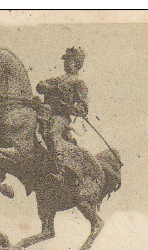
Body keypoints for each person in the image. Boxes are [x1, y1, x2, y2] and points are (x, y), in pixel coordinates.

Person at [36, 47, 90, 185]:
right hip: (44, 111)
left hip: (60, 116)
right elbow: (40, 86)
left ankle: (58, 170)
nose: (66, 64)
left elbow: (83, 108)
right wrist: (44, 86)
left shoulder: (79, 84)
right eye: (65, 61)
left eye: (69, 61)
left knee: (53, 133)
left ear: (77, 63)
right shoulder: (58, 79)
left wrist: (66, 106)